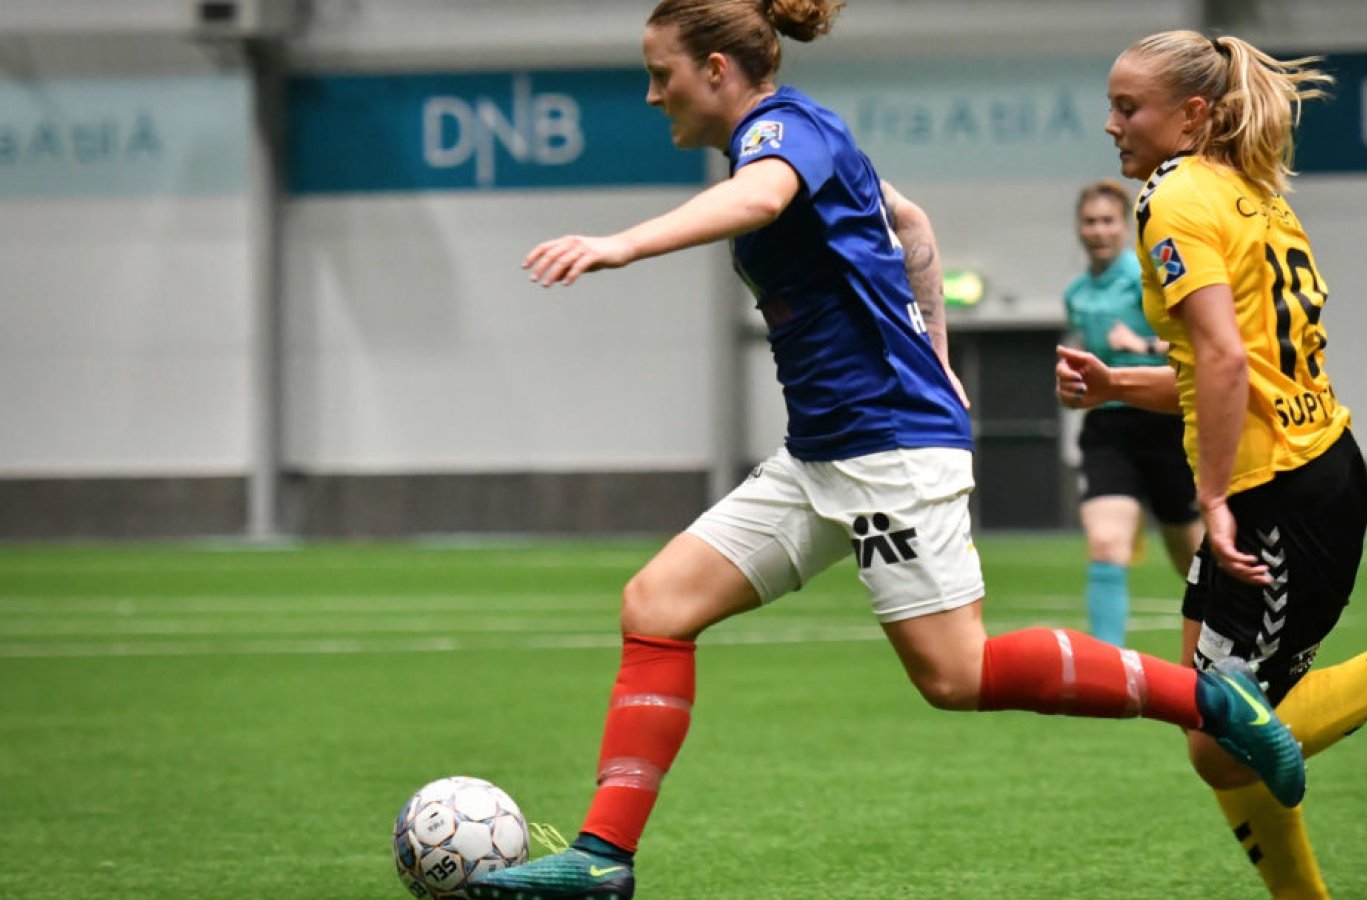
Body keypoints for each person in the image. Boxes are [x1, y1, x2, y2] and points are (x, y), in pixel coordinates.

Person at [468, 6, 1306, 899]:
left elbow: (764, 200)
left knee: (957, 674)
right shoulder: (802, 136)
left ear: (716, 70)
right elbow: (913, 226)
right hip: (823, 453)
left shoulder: (782, 133)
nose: (650, 94)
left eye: (660, 74)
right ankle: (603, 859)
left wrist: (620, 244)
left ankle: (1213, 701)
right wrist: (938, 357)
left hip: (886, 452)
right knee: (657, 605)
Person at [1056, 29, 1367, 898]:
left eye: (1127, 107)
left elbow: (1222, 361)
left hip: (1283, 496)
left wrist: (1209, 496)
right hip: (1288, 477)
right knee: (1210, 717)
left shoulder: (1174, 198)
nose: (1111, 124)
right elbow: (1226, 370)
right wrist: (1117, 383)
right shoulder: (1247, 193)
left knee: (1220, 744)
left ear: (1192, 117)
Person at [1062, 178, 1203, 646]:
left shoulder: (1151, 278)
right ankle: (1109, 666)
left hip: (1165, 421)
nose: (1098, 230)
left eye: (1107, 221)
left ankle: (1234, 652)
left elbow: (1195, 345)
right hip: (1107, 428)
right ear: (1078, 229)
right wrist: (1069, 387)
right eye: (1089, 221)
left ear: (1124, 228)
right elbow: (1086, 368)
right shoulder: (1077, 294)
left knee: (1195, 560)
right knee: (1105, 543)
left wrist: (1140, 344)